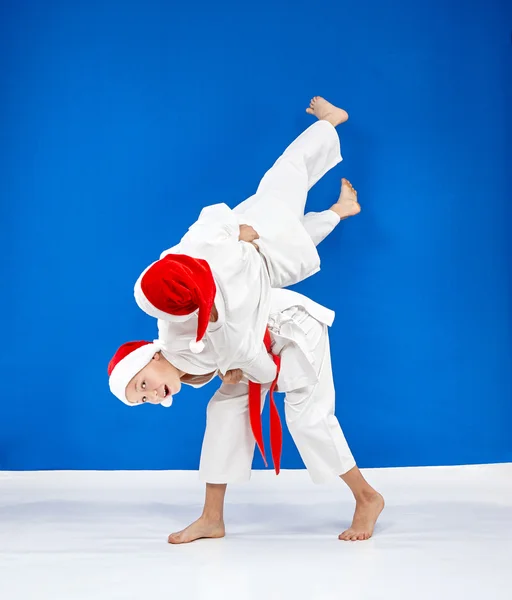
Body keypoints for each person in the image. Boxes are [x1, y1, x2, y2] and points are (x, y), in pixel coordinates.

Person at [131, 97, 360, 389]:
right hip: (261, 267)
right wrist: (233, 371)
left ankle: (330, 125)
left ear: (149, 359)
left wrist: (232, 230)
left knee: (288, 177)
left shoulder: (172, 321)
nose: (155, 396)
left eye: (143, 386)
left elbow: (193, 242)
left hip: (252, 247)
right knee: (294, 210)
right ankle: (340, 206)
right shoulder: (194, 368)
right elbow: (245, 355)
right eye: (144, 399)